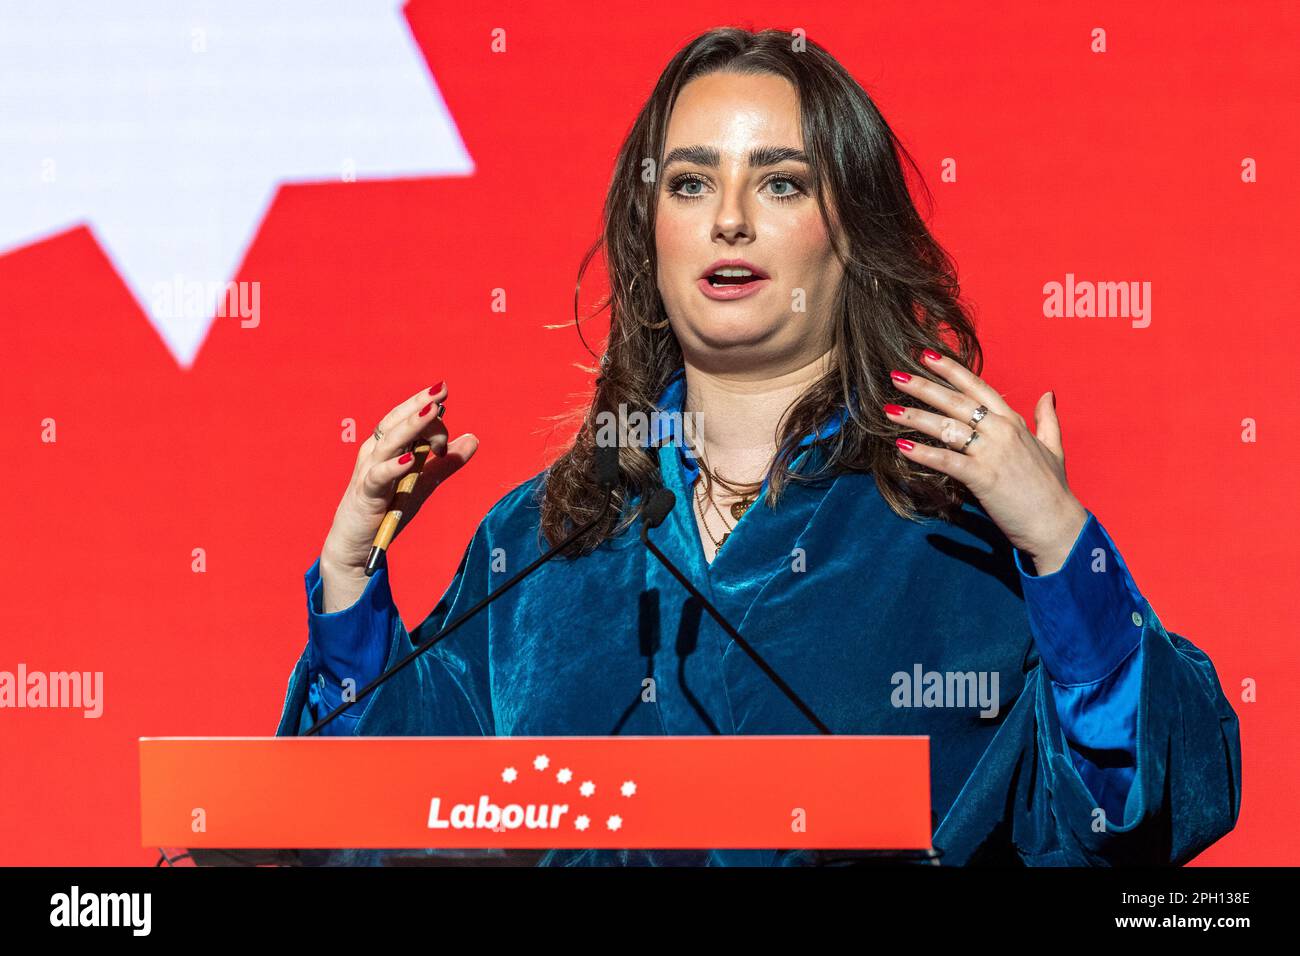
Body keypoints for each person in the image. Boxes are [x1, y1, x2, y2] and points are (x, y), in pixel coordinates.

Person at [275, 27, 1241, 866]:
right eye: (691, 181)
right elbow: (380, 831)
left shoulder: (959, 529)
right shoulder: (541, 541)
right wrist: (351, 580)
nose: (728, 217)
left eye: (780, 181)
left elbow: (1132, 820)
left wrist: (1063, 546)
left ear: (852, 234)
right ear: (650, 233)